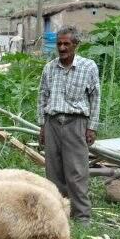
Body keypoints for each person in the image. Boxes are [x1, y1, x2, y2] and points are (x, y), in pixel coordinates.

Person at [38, 25, 100, 225]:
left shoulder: (88, 67)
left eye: (66, 44)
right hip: (53, 122)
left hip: (76, 123)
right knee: (53, 172)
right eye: (59, 44)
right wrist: (42, 126)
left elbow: (95, 98)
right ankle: (59, 214)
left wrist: (92, 127)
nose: (62, 48)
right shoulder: (49, 68)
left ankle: (82, 217)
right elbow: (42, 97)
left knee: (76, 172)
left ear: (76, 45)